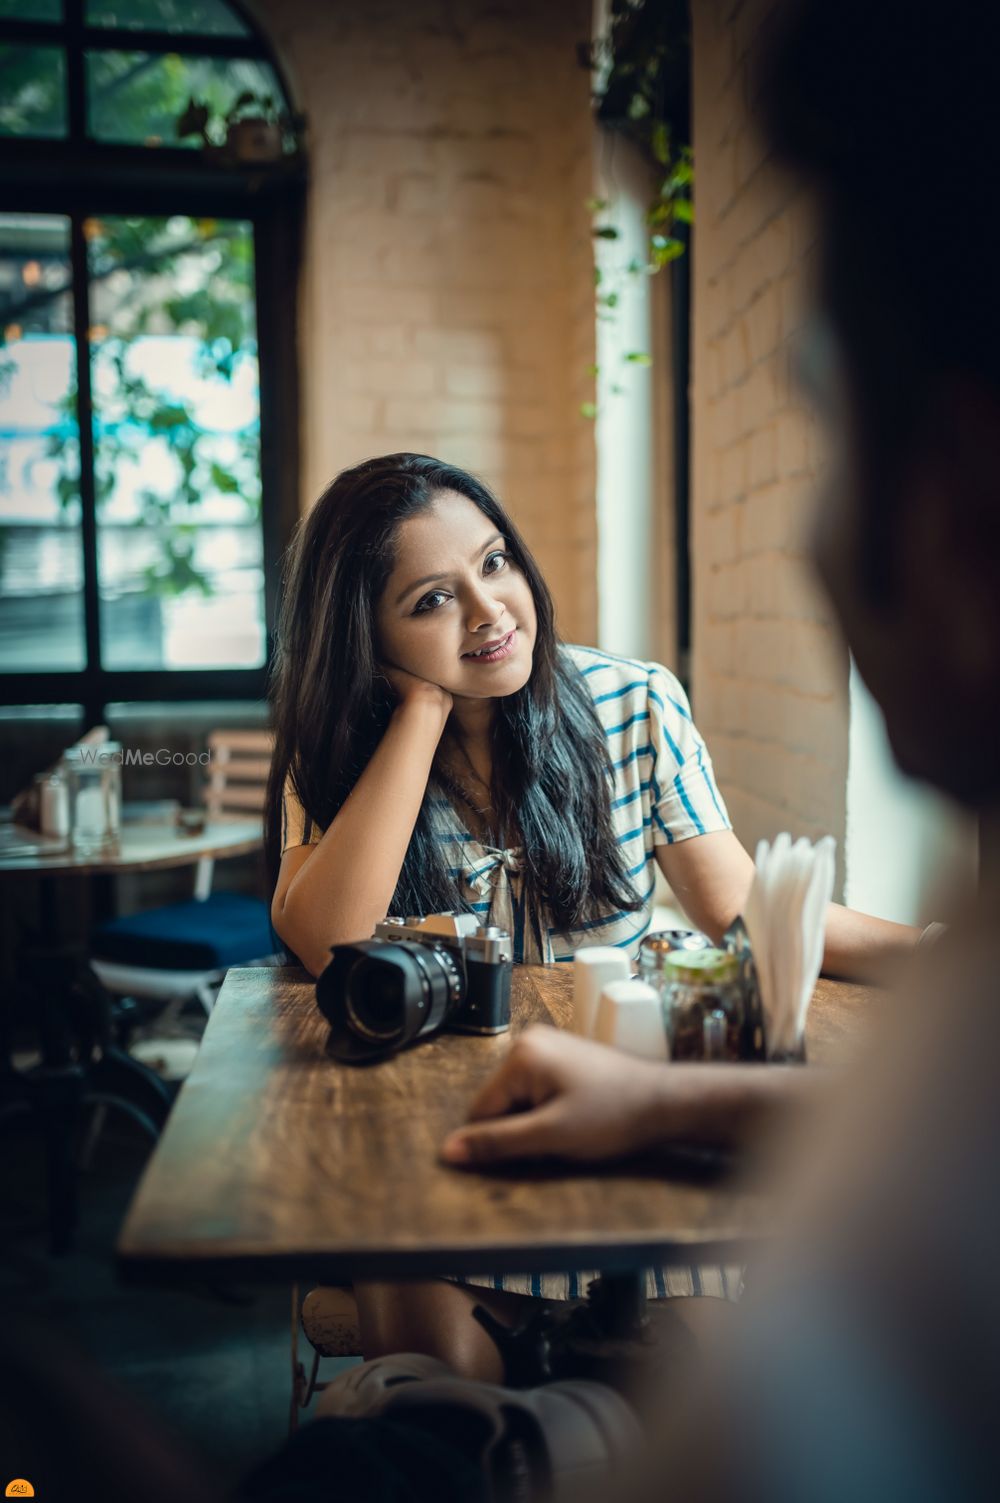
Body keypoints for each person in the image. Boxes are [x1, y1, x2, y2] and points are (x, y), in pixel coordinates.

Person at [432, 0, 1000, 1495]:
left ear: (956, 499)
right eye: (432, 592)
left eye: (823, 421)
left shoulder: (628, 699)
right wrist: (676, 1095)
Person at [265, 451, 916, 1379]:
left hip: (617, 1140)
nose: (490, 611)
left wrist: (934, 952)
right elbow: (328, 935)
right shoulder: (343, 749)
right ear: (363, 636)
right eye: (430, 600)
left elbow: (739, 912)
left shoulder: (635, 701)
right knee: (441, 1412)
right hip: (440, 1146)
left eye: (495, 563)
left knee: (705, 1401)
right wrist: (419, 711)